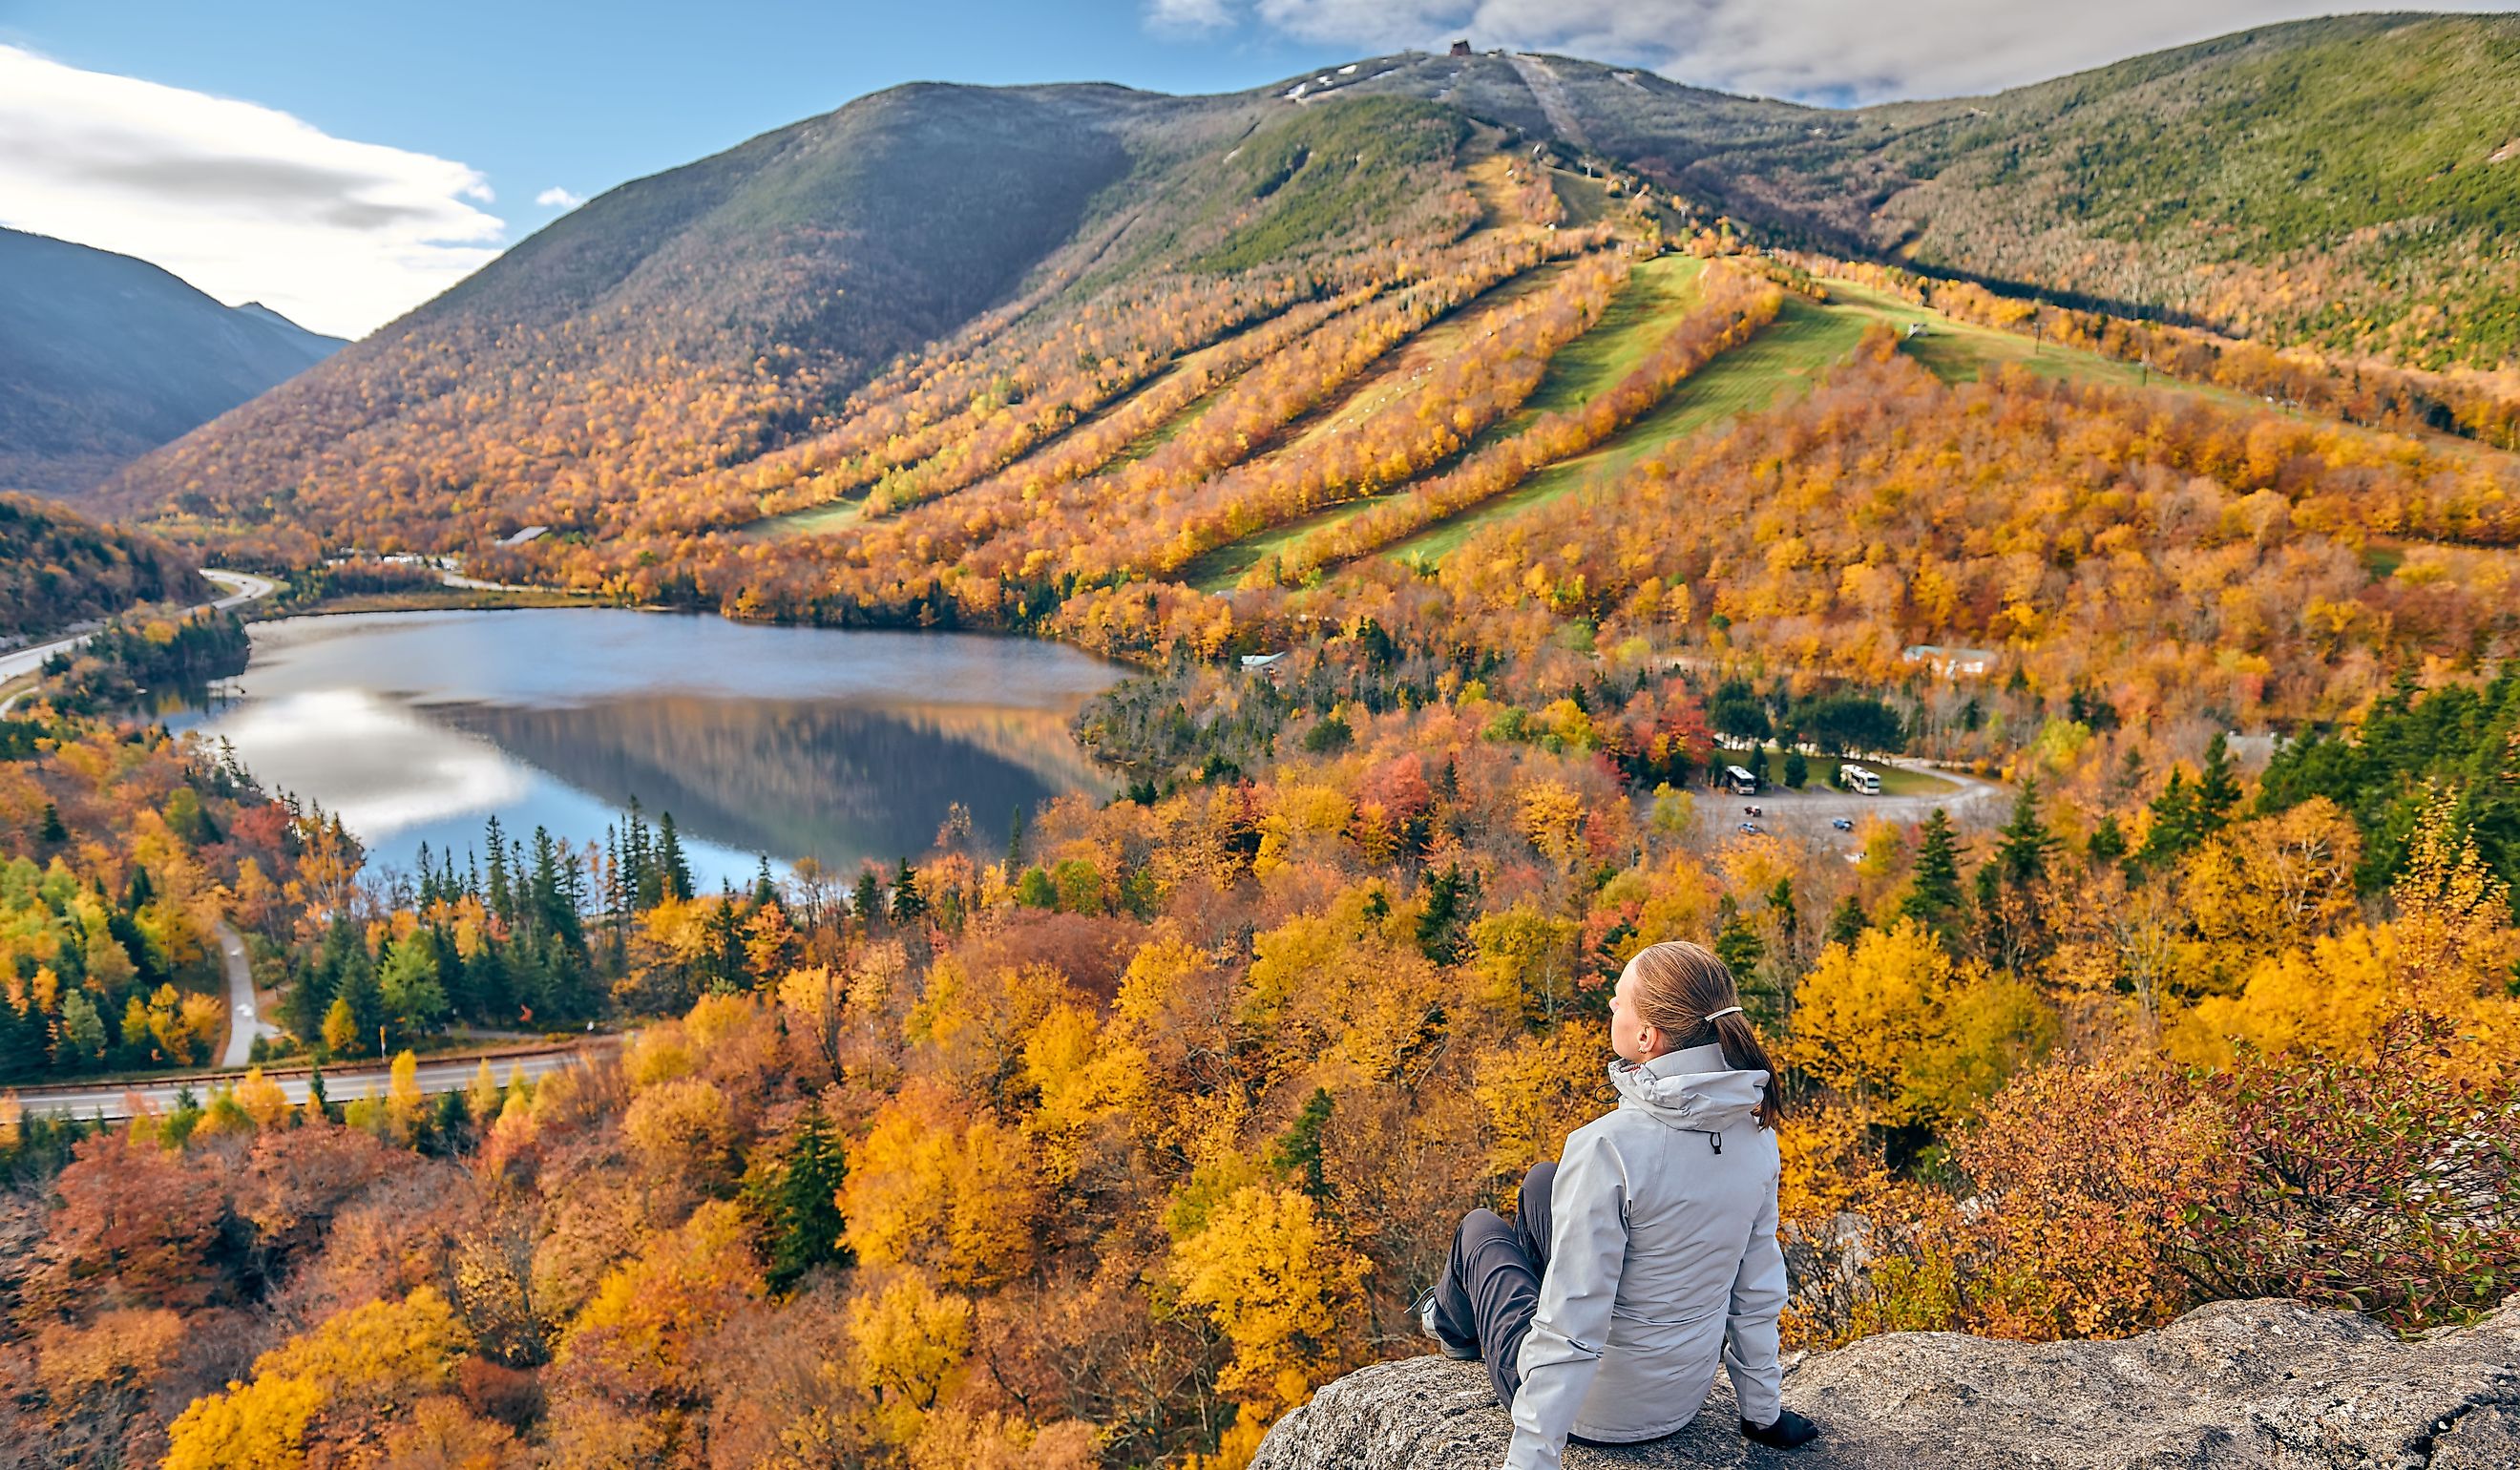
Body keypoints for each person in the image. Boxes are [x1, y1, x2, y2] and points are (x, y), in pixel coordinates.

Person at [1418, 940, 1819, 1468]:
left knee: (1479, 1231)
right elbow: (1756, 1289)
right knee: (1543, 1182)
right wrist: (1763, 1415)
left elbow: (1571, 1326)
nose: (1610, 1006)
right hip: (1681, 1396)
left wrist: (1534, 1455)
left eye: (1618, 1000)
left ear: (1647, 1036)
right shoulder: (1755, 1132)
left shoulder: (1609, 1147)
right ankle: (1467, 1316)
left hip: (1596, 1409)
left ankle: (1449, 1325)